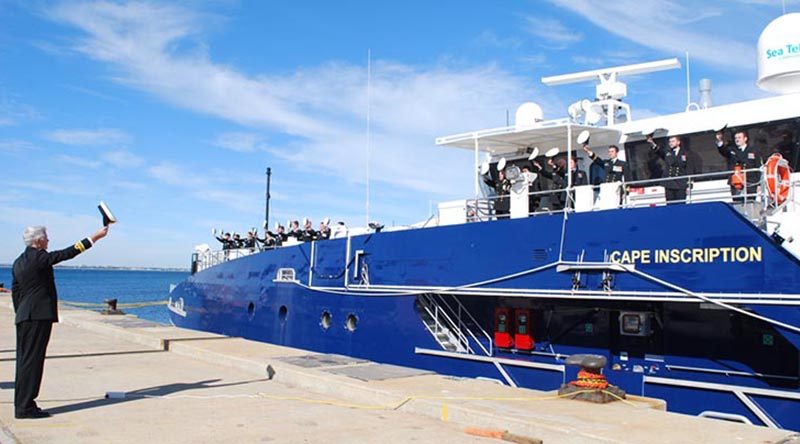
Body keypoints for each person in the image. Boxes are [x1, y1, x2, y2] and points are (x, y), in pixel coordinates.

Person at [12, 225, 109, 419]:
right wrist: (94, 238)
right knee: (33, 361)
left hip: (24, 316)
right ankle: (25, 407)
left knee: (24, 361)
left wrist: (21, 312)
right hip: (38, 316)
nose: (48, 241)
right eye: (46, 238)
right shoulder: (39, 258)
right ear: (38, 241)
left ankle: (22, 403)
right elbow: (67, 253)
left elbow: (16, 292)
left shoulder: (18, 262)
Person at [715, 129, 762, 203]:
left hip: (750, 182)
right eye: (736, 138)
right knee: (737, 203)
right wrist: (719, 140)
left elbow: (758, 167)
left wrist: (759, 184)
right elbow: (722, 150)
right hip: (736, 182)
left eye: (739, 138)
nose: (737, 140)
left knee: (750, 202)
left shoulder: (753, 150)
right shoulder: (731, 150)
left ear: (745, 139)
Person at [648, 135, 692, 204]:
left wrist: (689, 181)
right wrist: (652, 143)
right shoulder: (667, 152)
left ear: (678, 142)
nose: (671, 143)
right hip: (669, 183)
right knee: (670, 205)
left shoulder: (685, 153)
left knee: (681, 205)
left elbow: (688, 167)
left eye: (673, 141)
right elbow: (658, 151)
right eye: (670, 142)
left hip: (680, 183)